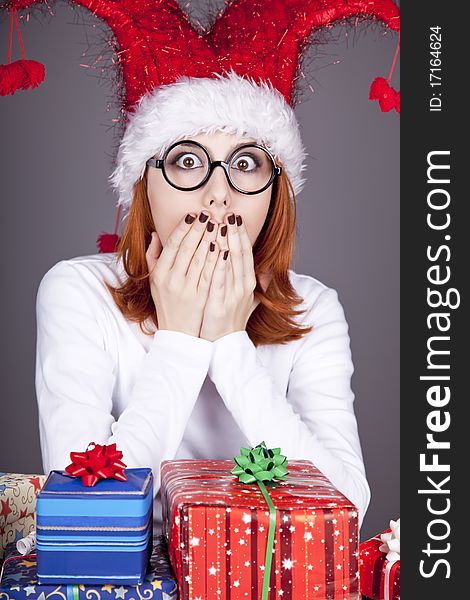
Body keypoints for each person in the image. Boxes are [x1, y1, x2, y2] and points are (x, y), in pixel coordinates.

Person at [27, 0, 400, 535]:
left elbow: (345, 508)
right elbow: (88, 509)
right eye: (186, 161)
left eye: (246, 163)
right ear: (143, 184)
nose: (217, 195)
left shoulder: (313, 309)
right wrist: (181, 338)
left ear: (276, 190)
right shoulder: (78, 291)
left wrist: (229, 344)